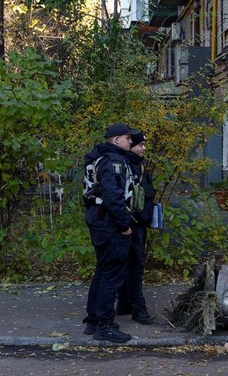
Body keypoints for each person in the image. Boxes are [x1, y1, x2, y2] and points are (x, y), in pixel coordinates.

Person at [82, 122, 139, 343]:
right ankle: (104, 325)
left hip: (99, 221)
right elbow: (113, 197)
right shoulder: (113, 161)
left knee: (103, 271)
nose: (130, 142)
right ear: (116, 140)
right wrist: (124, 225)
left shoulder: (98, 158)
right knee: (112, 275)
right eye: (127, 138)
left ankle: (94, 320)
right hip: (110, 224)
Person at [116, 131, 156, 325]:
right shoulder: (127, 166)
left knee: (128, 264)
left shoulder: (137, 164)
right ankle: (138, 308)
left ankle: (124, 303)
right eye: (139, 145)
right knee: (134, 265)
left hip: (138, 221)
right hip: (132, 223)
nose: (143, 148)